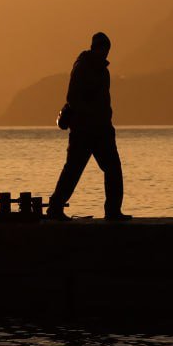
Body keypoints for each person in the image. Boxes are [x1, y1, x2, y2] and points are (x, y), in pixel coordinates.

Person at [47, 32, 126, 220]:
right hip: (84, 130)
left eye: (107, 50)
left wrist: (106, 121)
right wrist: (89, 117)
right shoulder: (82, 67)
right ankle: (55, 208)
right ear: (96, 48)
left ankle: (113, 211)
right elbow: (72, 98)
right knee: (74, 170)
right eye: (103, 49)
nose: (105, 53)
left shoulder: (102, 70)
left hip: (102, 130)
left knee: (112, 169)